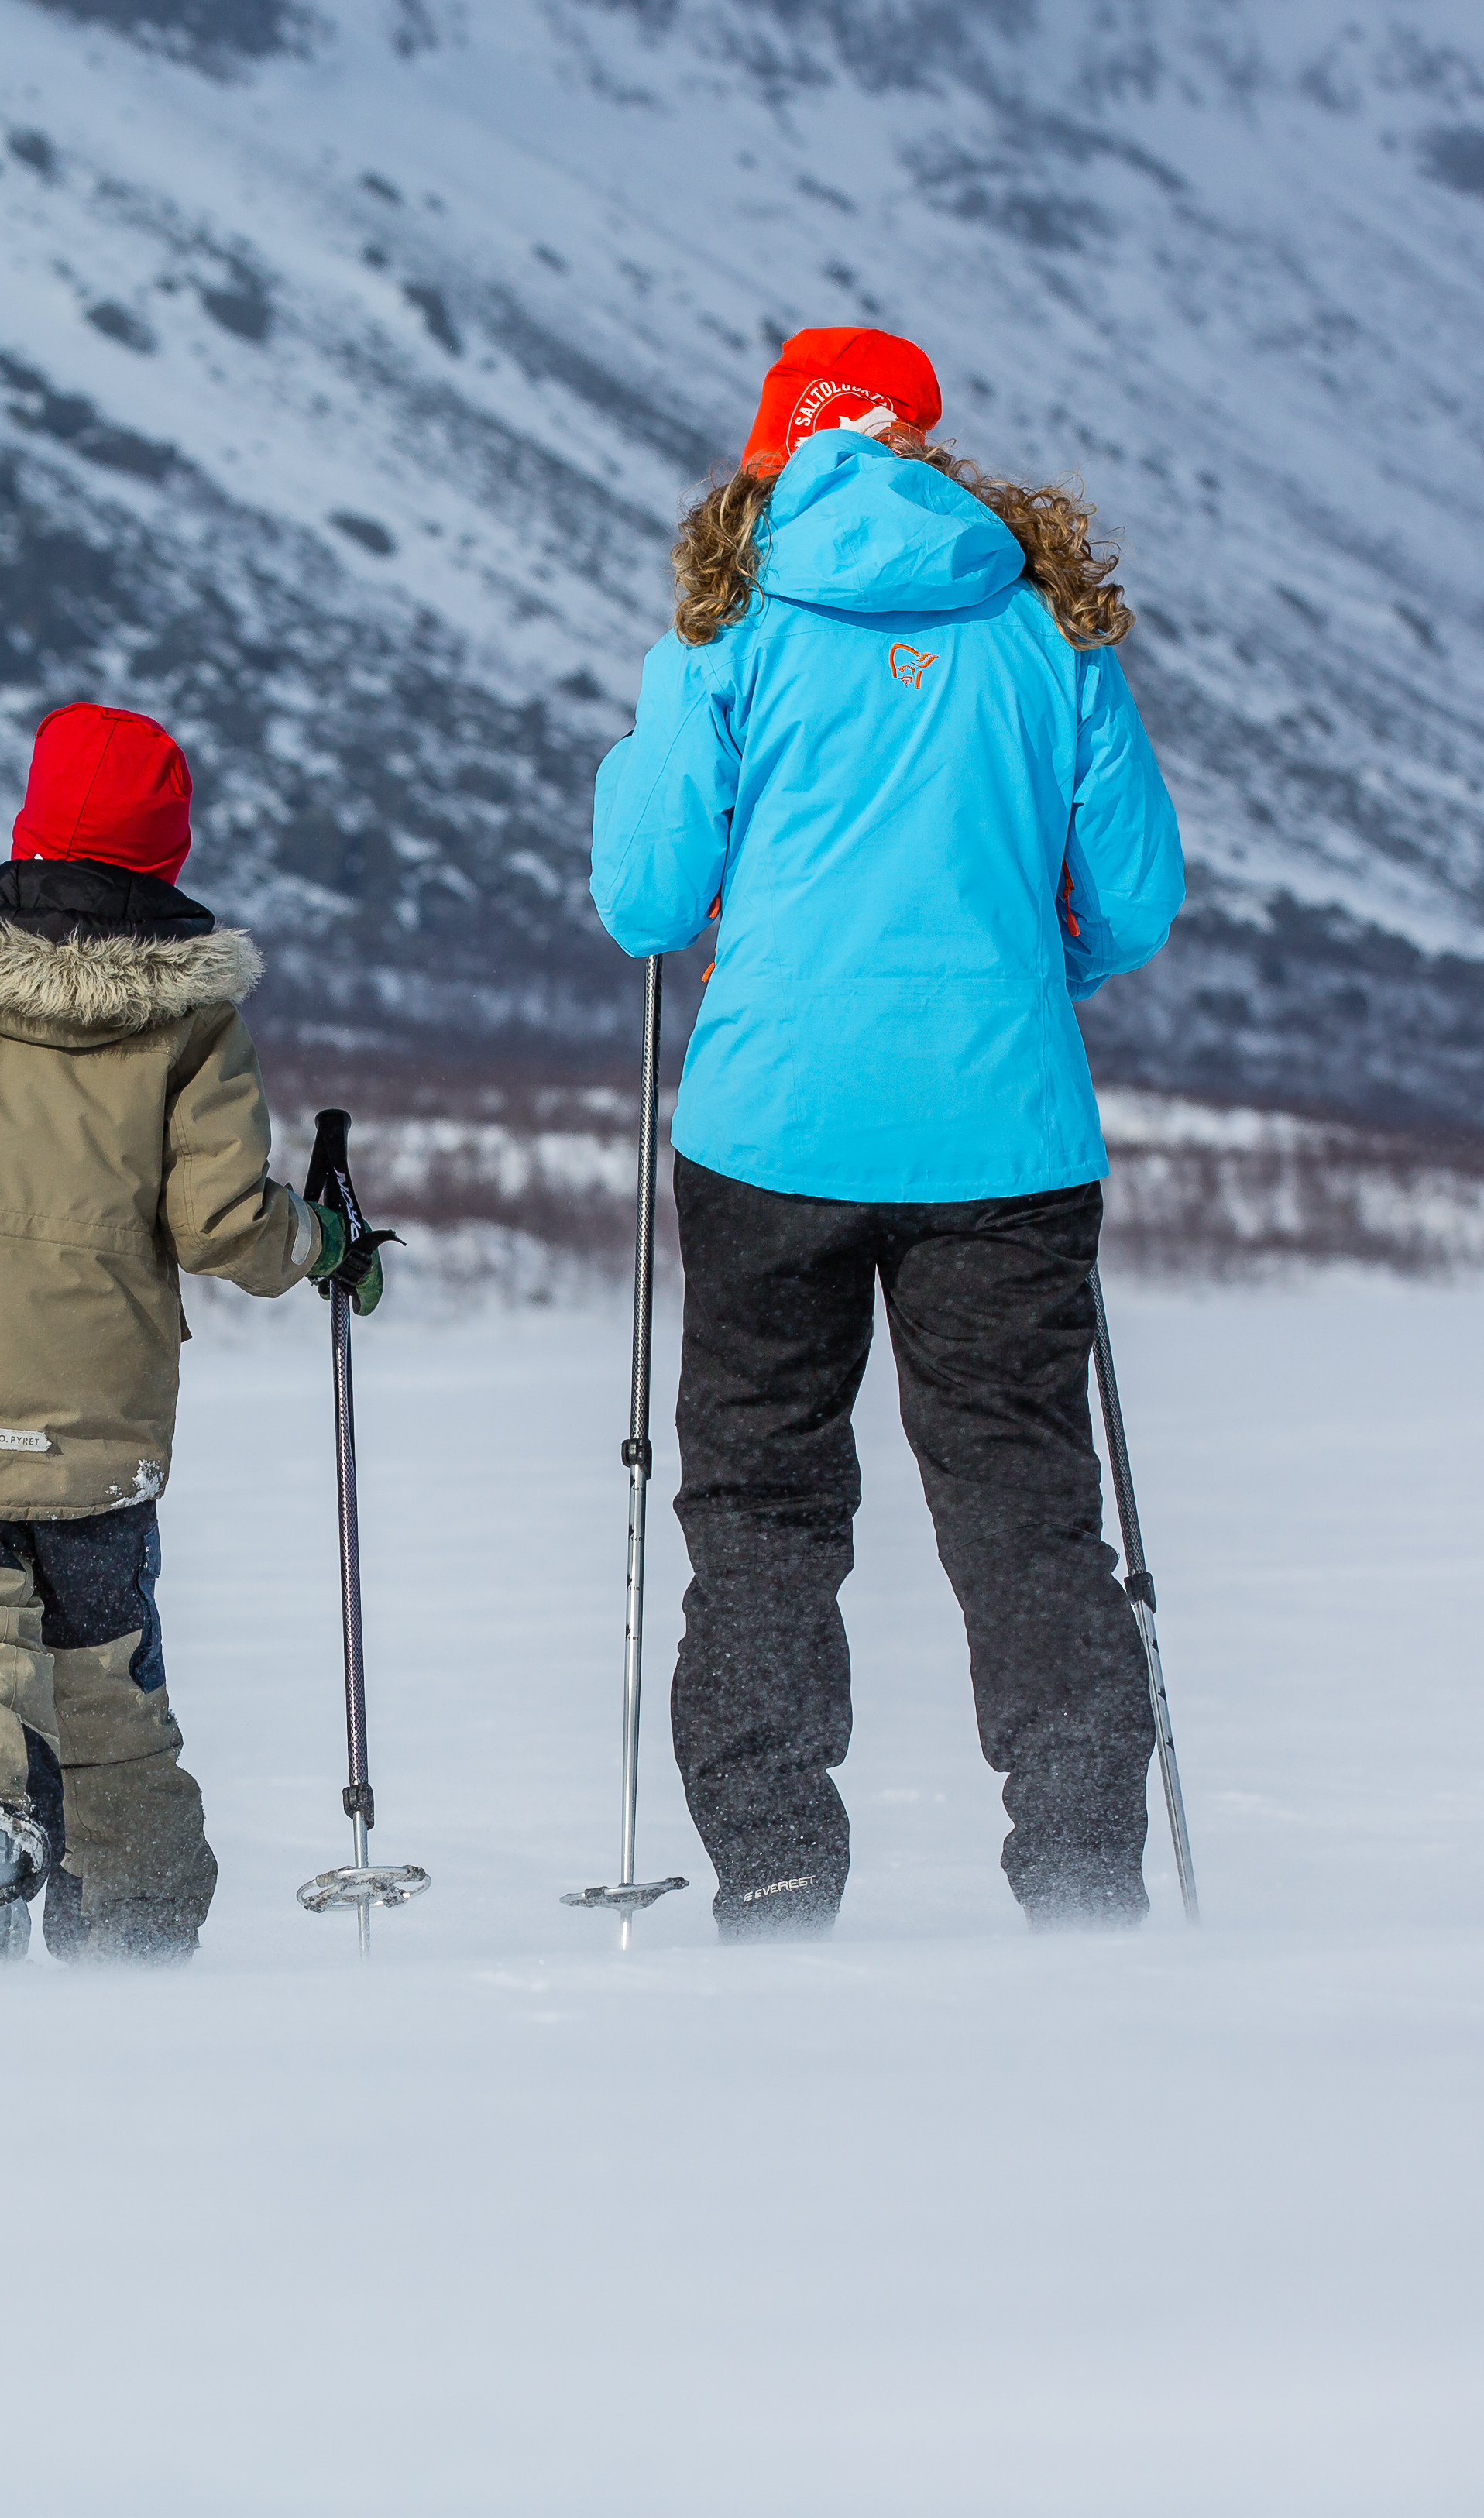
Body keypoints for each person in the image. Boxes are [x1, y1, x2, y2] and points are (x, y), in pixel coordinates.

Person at [592, 325, 1187, 1936]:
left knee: (767, 1506)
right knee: (1024, 1503)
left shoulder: (722, 633)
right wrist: (1016, 970)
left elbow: (647, 898)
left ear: (779, 448)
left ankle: (777, 1863)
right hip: (1007, 1136)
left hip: (772, 1123)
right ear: (921, 444)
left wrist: (637, 770)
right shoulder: (1052, 631)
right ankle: (1078, 1871)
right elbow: (1135, 899)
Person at [0, 702, 375, 1964]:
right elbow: (222, 1227)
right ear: (171, 846)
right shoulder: (194, 1018)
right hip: (97, 1425)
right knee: (104, 1682)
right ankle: (139, 1925)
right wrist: (322, 1242)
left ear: (27, 822)